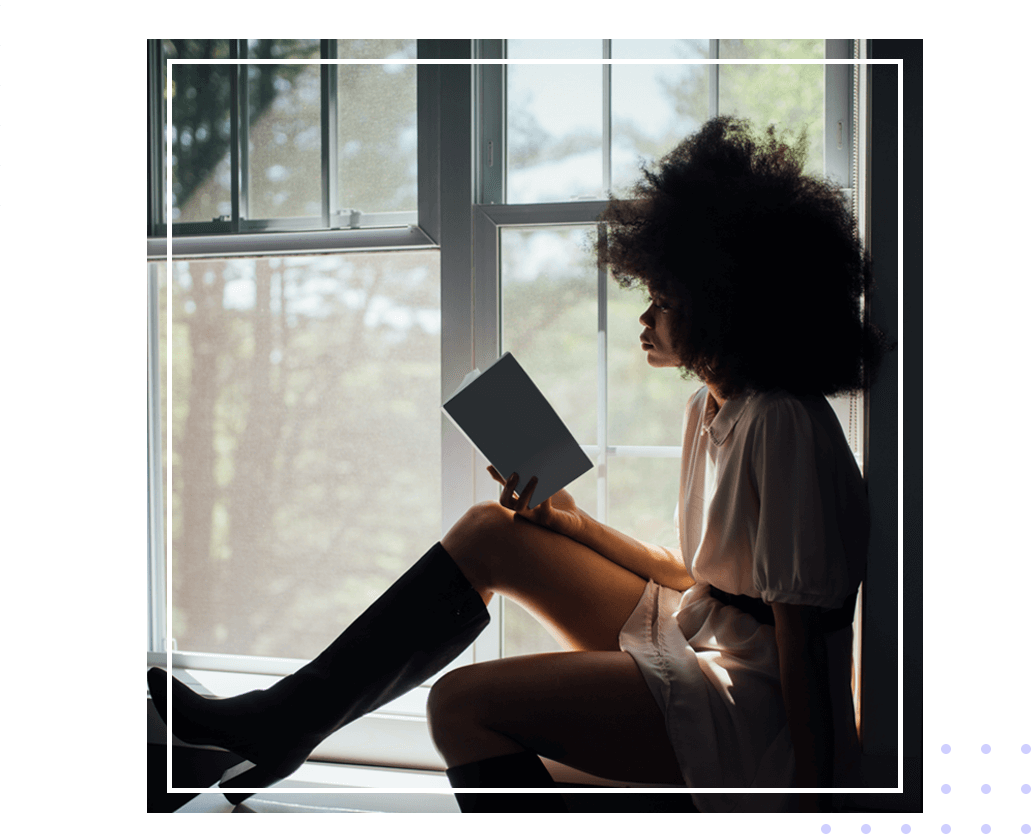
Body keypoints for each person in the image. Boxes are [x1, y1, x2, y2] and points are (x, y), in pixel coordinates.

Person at [148, 115, 889, 813]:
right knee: (487, 533)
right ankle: (282, 722)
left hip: (751, 705)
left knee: (458, 706)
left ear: (722, 304)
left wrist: (818, 797)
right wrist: (570, 523)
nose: (643, 318)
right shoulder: (710, 407)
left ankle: (276, 727)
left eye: (662, 300)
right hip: (701, 632)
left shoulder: (784, 422)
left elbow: (805, 632)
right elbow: (696, 576)